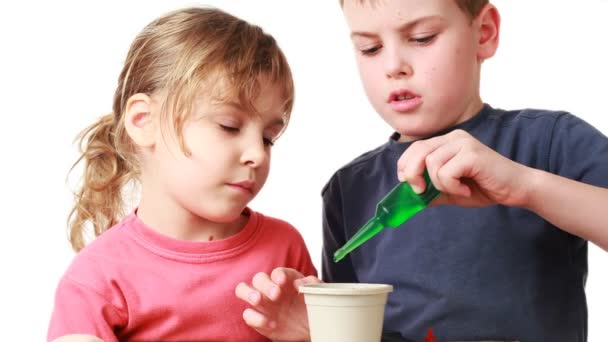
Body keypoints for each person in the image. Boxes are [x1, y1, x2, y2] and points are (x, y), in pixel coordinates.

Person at [236, 1, 608, 341]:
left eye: (421, 38)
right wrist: (313, 328)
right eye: (370, 48)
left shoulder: (550, 143)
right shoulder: (348, 191)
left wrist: (525, 186)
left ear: (484, 33)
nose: (393, 66)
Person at [47, 6, 316, 342]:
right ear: (144, 121)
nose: (258, 154)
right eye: (229, 126)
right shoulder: (96, 278)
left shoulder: (284, 250)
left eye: (268, 138)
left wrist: (311, 334)